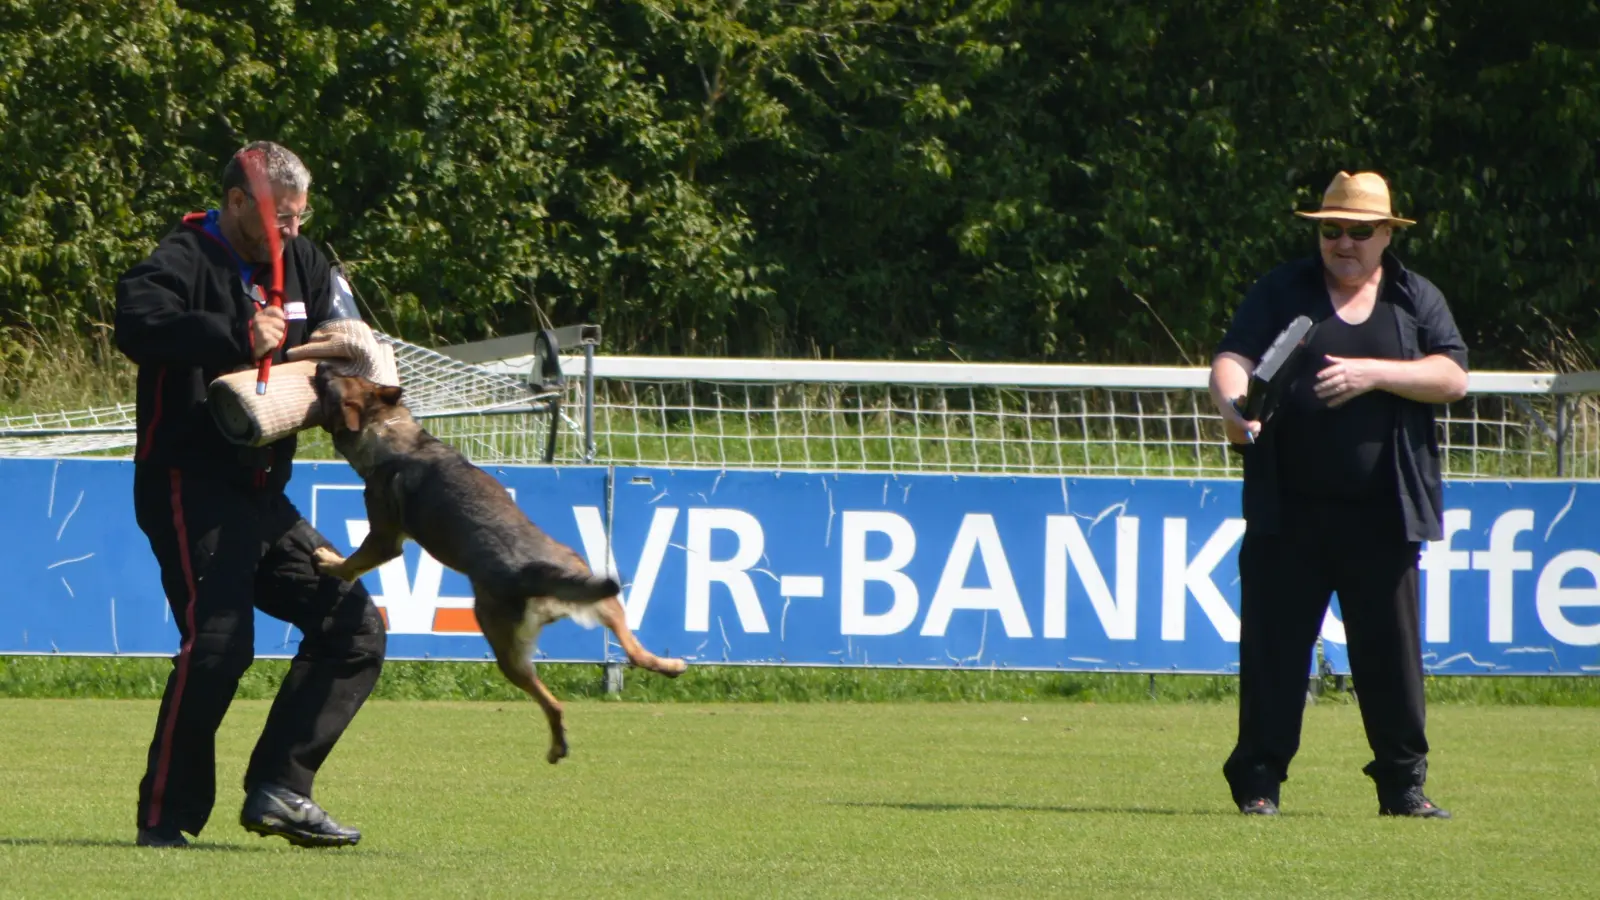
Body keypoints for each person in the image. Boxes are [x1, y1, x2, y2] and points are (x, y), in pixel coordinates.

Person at [115, 141, 386, 848]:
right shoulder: (183, 258)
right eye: (280, 218)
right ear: (237, 202)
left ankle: (280, 790)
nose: (291, 231)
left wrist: (352, 358)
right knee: (220, 644)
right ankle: (164, 820)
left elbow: (345, 331)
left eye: (299, 217)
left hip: (265, 494)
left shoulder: (306, 260)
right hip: (188, 485)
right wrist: (233, 334)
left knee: (354, 626)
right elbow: (135, 320)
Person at [1209, 171, 1468, 818]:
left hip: (1384, 514)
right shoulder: (1282, 290)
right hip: (1287, 512)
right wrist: (1233, 408)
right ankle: (1259, 783)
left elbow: (1452, 376)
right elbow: (1233, 359)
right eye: (1332, 230)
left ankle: (1403, 788)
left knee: (1391, 659)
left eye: (1359, 231)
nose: (1344, 242)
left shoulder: (1413, 297)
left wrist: (1372, 374)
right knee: (1273, 655)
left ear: (1387, 235)